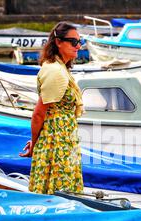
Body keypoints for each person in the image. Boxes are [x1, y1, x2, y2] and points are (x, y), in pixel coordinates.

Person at [19, 22, 84, 195]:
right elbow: (39, 113)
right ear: (58, 42)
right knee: (59, 190)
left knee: (61, 189)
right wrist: (34, 143)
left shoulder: (59, 68)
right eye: (73, 42)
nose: (79, 46)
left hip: (62, 140)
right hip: (56, 143)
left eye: (80, 41)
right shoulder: (56, 71)